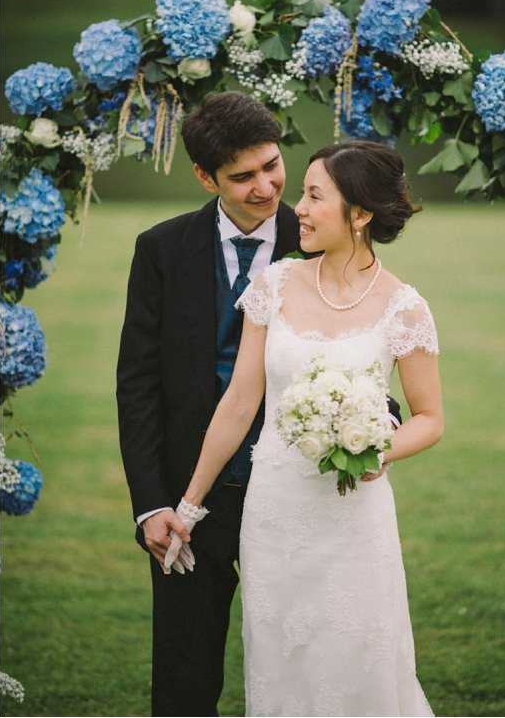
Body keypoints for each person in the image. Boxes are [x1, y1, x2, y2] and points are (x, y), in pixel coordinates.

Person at [116, 93, 404, 716]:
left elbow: (359, 342)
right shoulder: (160, 249)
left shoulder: (319, 233)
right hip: (195, 497)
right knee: (185, 678)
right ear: (205, 177)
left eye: (272, 166)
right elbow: (136, 385)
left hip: (302, 489)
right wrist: (151, 505)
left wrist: (373, 420)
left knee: (310, 664)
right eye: (242, 176)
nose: (267, 187)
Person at [165, 139, 444, 717]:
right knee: (281, 664)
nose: (300, 209)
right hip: (275, 514)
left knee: (357, 660)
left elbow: (429, 419)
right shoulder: (276, 285)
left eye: (315, 196)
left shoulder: (405, 308)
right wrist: (189, 504)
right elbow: (240, 403)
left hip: (353, 519)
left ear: (360, 214)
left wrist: (374, 449)